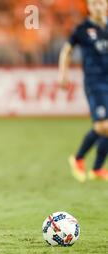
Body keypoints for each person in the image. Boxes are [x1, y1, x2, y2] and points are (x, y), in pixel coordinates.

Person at [59, 0, 108, 181]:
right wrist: (63, 74)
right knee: (103, 126)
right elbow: (66, 51)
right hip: (95, 83)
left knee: (106, 127)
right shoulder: (82, 29)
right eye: (94, 4)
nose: (98, 7)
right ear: (89, 6)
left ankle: (97, 169)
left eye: (101, 3)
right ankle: (78, 158)